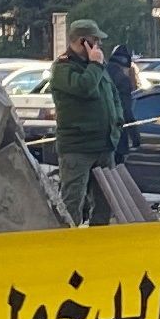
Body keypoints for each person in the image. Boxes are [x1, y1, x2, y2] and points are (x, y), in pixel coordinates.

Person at [46, 22, 120, 224]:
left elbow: (112, 95)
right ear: (82, 41)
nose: (98, 44)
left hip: (103, 145)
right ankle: (69, 246)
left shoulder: (96, 65)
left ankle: (100, 244)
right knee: (73, 202)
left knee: (105, 202)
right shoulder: (63, 67)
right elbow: (84, 88)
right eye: (95, 40)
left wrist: (117, 123)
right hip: (78, 147)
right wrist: (95, 65)